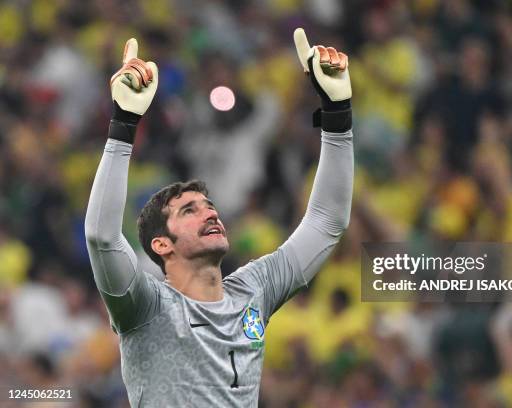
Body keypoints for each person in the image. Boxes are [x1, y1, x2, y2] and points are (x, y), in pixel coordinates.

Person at [84, 28, 354, 407]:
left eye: (209, 205)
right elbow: (102, 237)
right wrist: (124, 122)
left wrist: (337, 112)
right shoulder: (145, 307)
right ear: (162, 244)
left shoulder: (253, 291)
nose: (210, 212)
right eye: (189, 210)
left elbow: (328, 221)